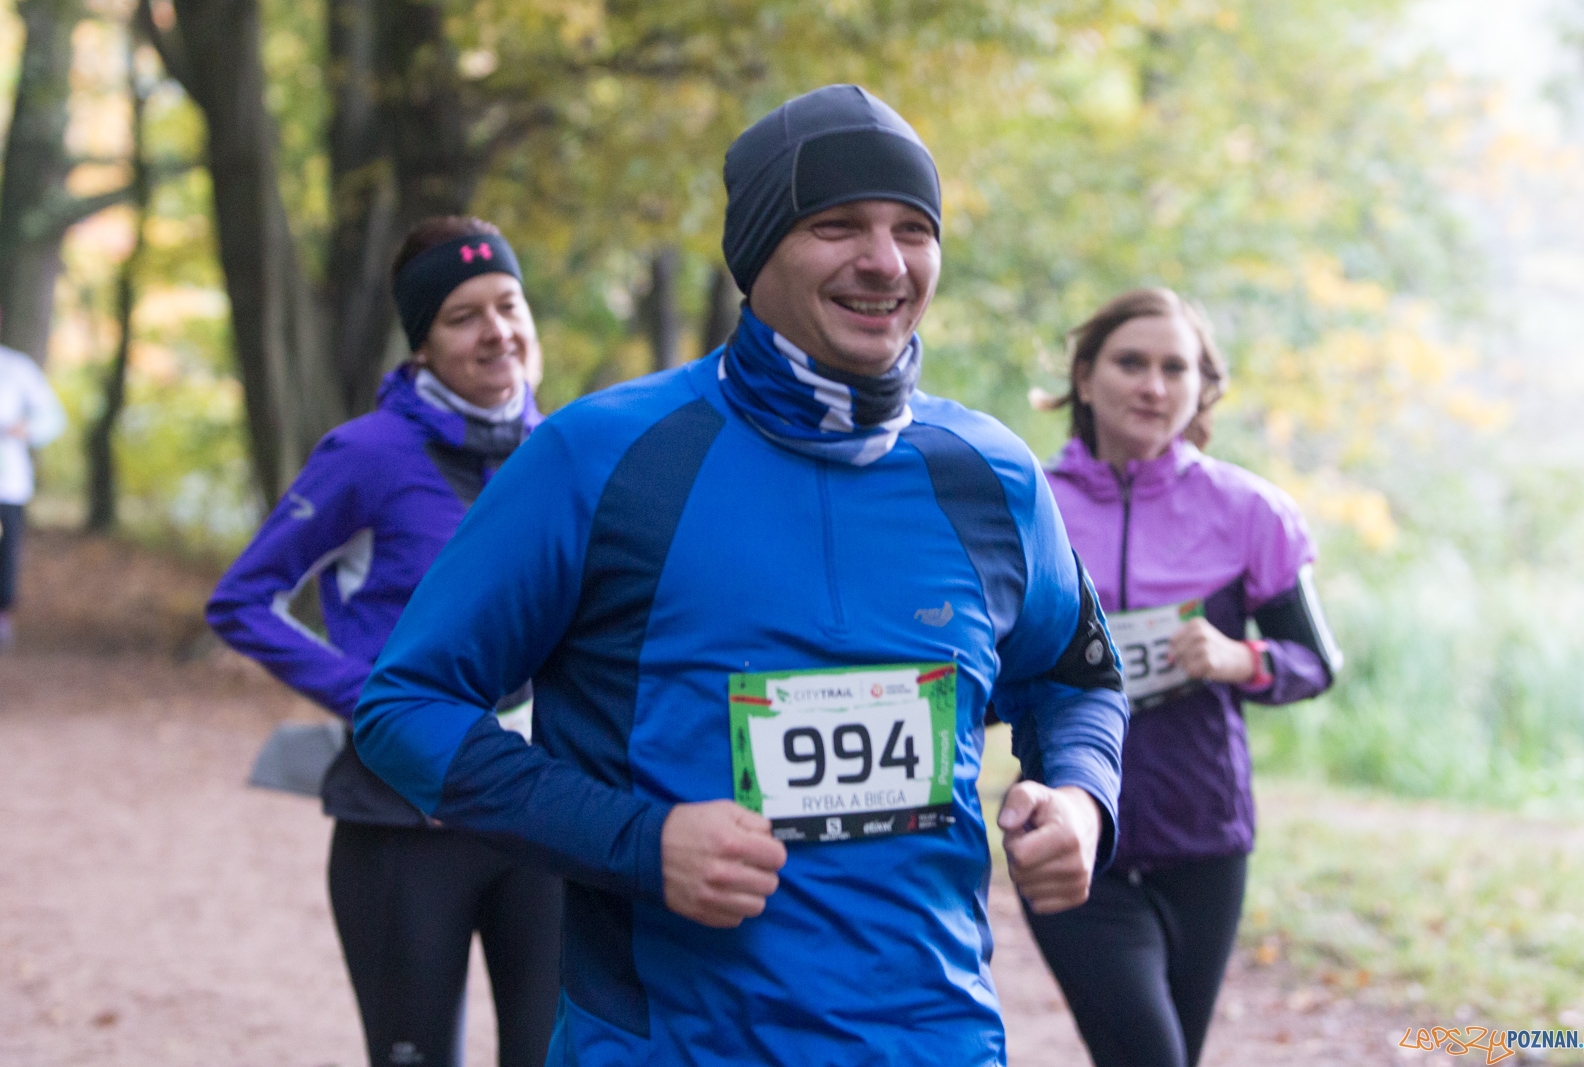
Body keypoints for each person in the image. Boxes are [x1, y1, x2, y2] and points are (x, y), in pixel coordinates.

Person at [353, 85, 1128, 1067]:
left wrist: (1078, 796)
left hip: (935, 1039)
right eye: (835, 224)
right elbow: (402, 705)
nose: (883, 261)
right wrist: (637, 838)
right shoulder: (600, 457)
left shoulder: (990, 473)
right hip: (667, 1042)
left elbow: (1076, 674)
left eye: (910, 229)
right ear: (756, 250)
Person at [206, 217, 562, 1067]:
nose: (496, 331)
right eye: (462, 315)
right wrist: (372, 699)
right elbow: (241, 600)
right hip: (404, 822)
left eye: (508, 305)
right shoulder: (368, 455)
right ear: (422, 343)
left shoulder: (562, 451)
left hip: (544, 814)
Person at [1025, 288, 1342, 1067]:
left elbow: (1316, 662)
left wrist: (1242, 659)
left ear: (1204, 387)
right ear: (1086, 375)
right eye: (1131, 362)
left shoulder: (1250, 510)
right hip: (1076, 835)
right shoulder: (1025, 504)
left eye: (1178, 367)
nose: (1154, 385)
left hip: (1205, 842)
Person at [0, 330, 67, 652]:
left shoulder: (15, 367)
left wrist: (23, 429)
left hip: (6, 482)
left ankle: (3, 616)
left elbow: (53, 418)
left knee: (5, 552)